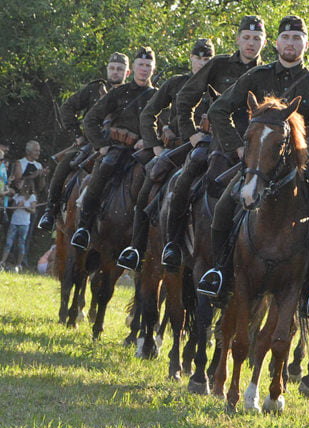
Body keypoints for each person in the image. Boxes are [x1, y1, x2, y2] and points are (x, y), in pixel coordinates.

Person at [197, 15, 309, 313]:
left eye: (297, 39)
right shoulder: (256, 77)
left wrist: (300, 153)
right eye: (286, 38)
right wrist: (238, 148)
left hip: (300, 163)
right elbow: (219, 110)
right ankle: (220, 273)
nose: (290, 44)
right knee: (223, 208)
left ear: (306, 44)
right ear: (276, 43)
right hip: (258, 162)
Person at [159, 16, 266, 269]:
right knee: (186, 177)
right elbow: (185, 98)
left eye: (257, 39)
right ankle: (173, 244)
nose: (251, 43)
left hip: (253, 148)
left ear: (264, 42)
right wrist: (191, 134)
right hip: (217, 143)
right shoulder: (218, 65)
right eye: (247, 38)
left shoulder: (267, 73)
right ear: (238, 39)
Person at [117, 38, 215, 271]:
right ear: (190, 58)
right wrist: (155, 147)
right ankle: (137, 249)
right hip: (178, 148)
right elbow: (148, 114)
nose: (201, 63)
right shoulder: (175, 84)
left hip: (211, 149)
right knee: (148, 185)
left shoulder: (220, 87)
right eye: (198, 58)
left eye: (207, 59)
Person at [71, 47, 157, 250]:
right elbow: (90, 119)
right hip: (117, 149)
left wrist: (149, 140)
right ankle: (84, 227)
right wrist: (101, 146)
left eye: (148, 66)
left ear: (153, 69)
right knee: (103, 170)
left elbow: (168, 126)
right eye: (141, 65)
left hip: (144, 152)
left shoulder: (158, 96)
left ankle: (151, 237)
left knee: (161, 178)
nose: (144, 69)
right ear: (133, 68)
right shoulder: (119, 92)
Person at [38, 53, 130, 231]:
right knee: (64, 166)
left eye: (120, 69)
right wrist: (77, 134)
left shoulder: (133, 93)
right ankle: (50, 210)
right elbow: (67, 108)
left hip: (123, 144)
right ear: (107, 69)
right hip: (93, 141)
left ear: (127, 73)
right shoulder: (94, 90)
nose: (115, 72)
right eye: (112, 68)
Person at [0, 179, 36, 271]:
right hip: (14, 222)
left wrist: (25, 207)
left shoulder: (32, 197)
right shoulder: (17, 196)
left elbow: (33, 210)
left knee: (21, 244)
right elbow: (12, 209)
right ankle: (2, 262)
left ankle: (18, 264)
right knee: (8, 243)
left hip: (24, 223)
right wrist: (16, 205)